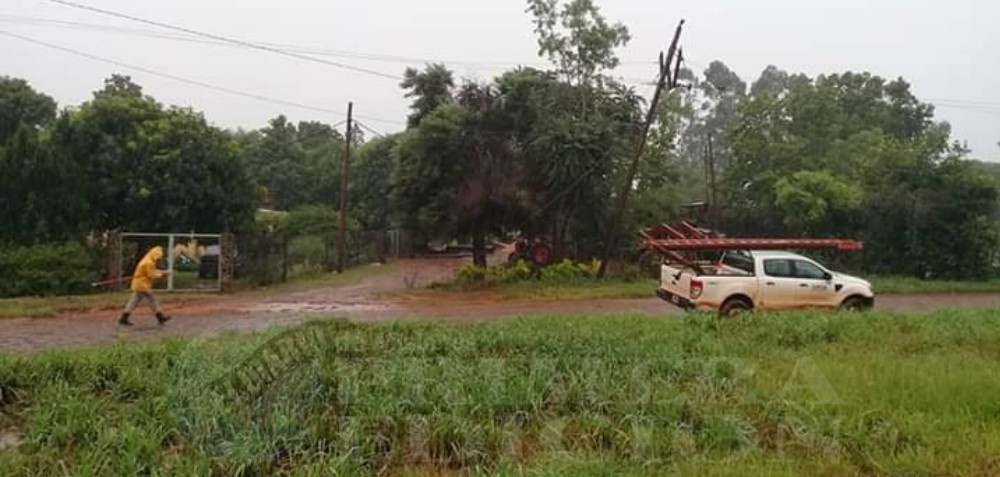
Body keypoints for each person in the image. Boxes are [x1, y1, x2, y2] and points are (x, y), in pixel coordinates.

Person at [118, 245, 173, 326]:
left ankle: (123, 318)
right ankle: (160, 317)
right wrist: (164, 274)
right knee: (152, 300)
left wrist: (164, 272)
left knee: (133, 301)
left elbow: (152, 271)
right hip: (142, 285)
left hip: (139, 284)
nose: (158, 259)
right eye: (157, 257)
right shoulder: (148, 262)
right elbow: (152, 275)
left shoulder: (148, 259)